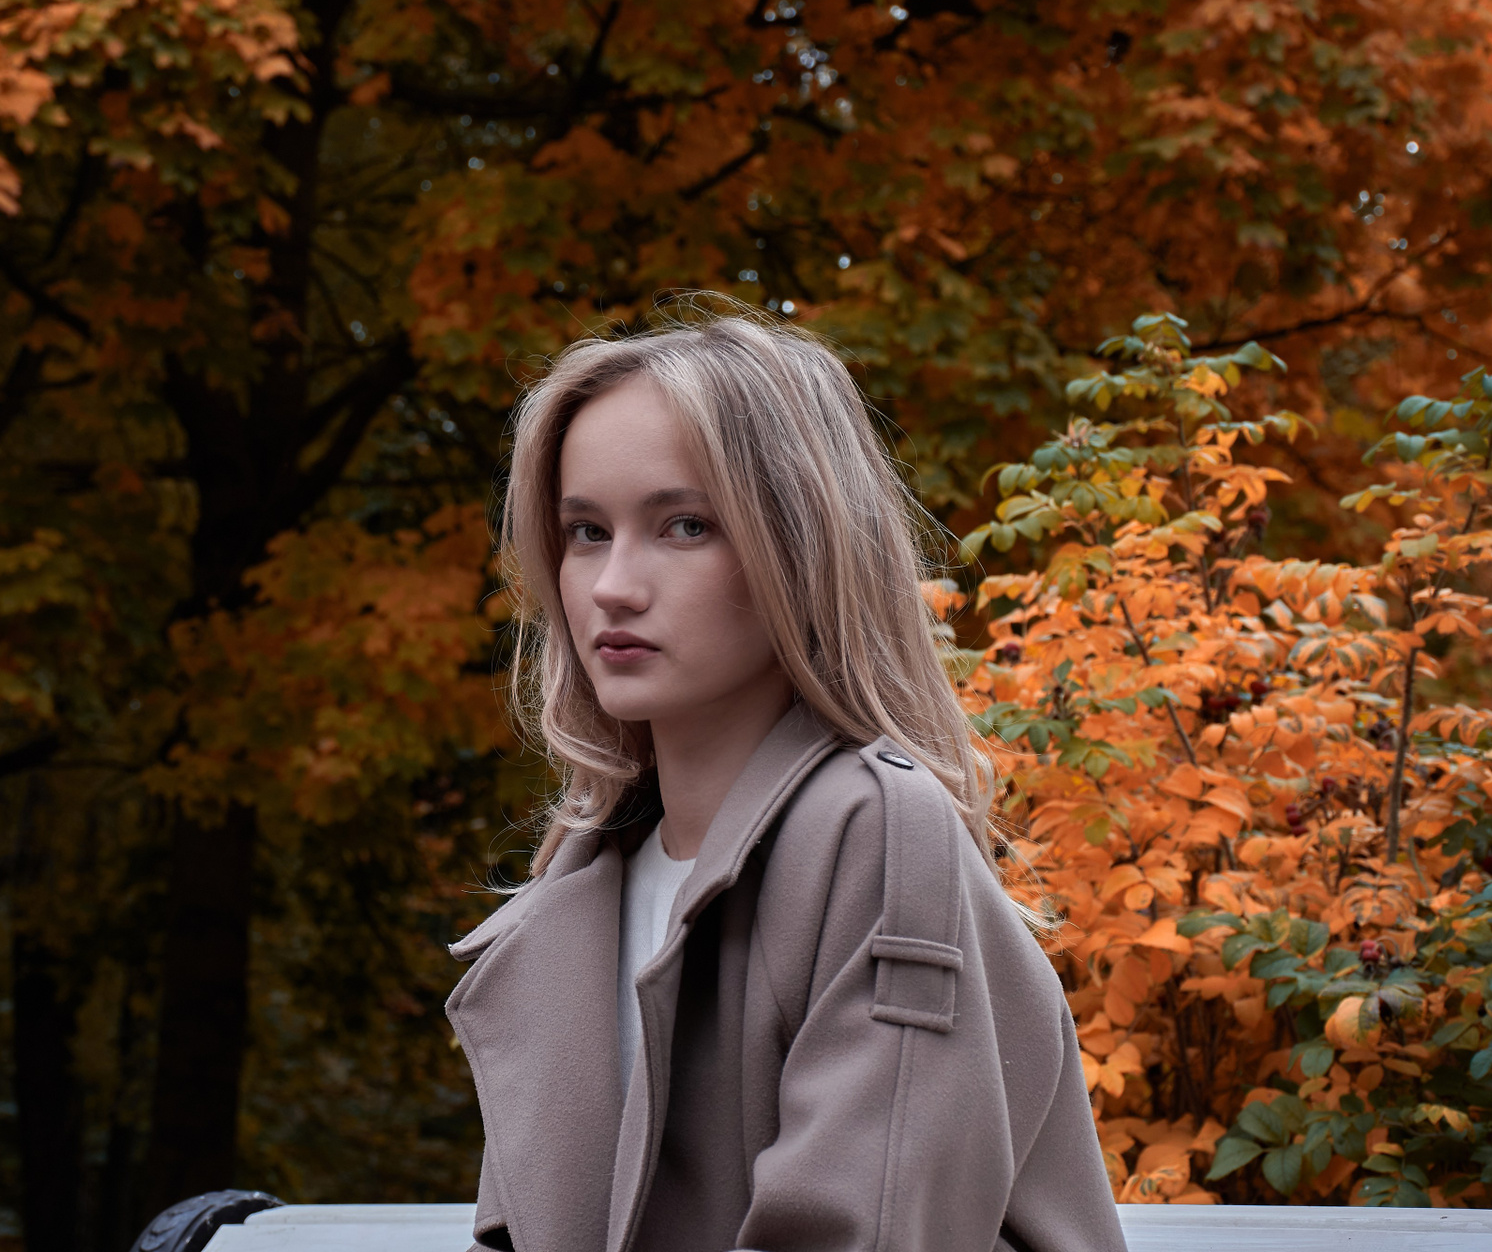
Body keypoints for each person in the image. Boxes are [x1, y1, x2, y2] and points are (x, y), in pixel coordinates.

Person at [445, 306, 1126, 1252]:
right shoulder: (578, 891)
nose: (612, 586)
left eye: (685, 526)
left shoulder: (876, 833)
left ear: (800, 546)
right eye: (587, 532)